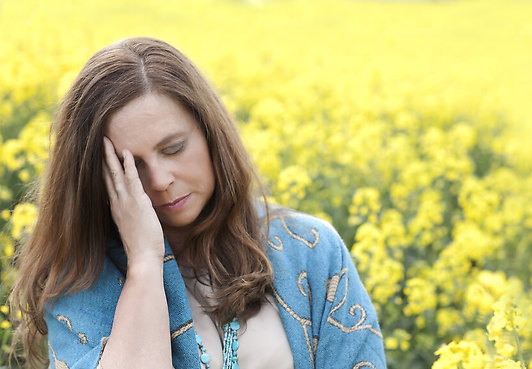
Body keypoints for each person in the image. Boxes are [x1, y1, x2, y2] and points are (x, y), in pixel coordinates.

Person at [9, 37, 386, 369]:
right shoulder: (83, 282)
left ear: (210, 134)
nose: (159, 181)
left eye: (173, 148)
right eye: (132, 166)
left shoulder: (312, 251)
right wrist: (144, 265)